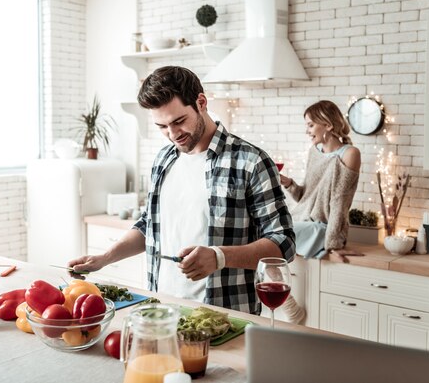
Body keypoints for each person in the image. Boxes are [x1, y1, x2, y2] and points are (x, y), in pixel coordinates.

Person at [67, 66, 295, 315]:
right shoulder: (164, 159)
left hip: (225, 316)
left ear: (201, 102)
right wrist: (106, 258)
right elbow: (149, 225)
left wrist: (219, 257)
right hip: (162, 308)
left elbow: (283, 243)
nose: (173, 134)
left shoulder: (251, 161)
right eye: (162, 126)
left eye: (179, 121)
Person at [280, 100, 363, 262]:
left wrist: (334, 244)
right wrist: (288, 183)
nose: (307, 131)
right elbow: (305, 197)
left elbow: (339, 203)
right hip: (302, 220)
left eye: (310, 125)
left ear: (328, 125)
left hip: (323, 229)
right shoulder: (314, 151)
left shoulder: (350, 154)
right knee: (267, 228)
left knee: (278, 234)